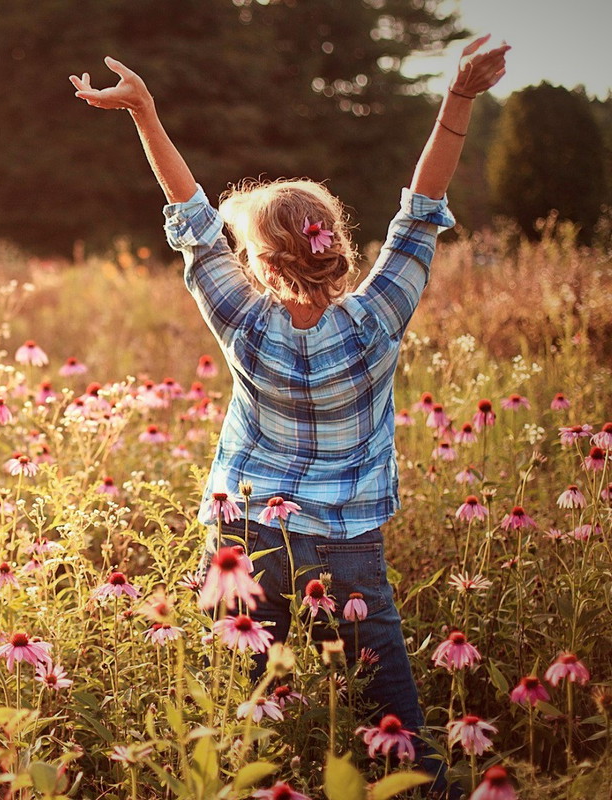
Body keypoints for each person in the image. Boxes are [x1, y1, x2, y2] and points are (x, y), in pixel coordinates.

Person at [70, 35, 508, 789]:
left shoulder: (240, 318)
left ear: (260, 264)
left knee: (256, 717)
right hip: (345, 547)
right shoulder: (379, 318)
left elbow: (191, 216)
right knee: (389, 716)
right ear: (331, 245)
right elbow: (420, 213)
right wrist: (459, 98)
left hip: (244, 537)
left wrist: (144, 111)